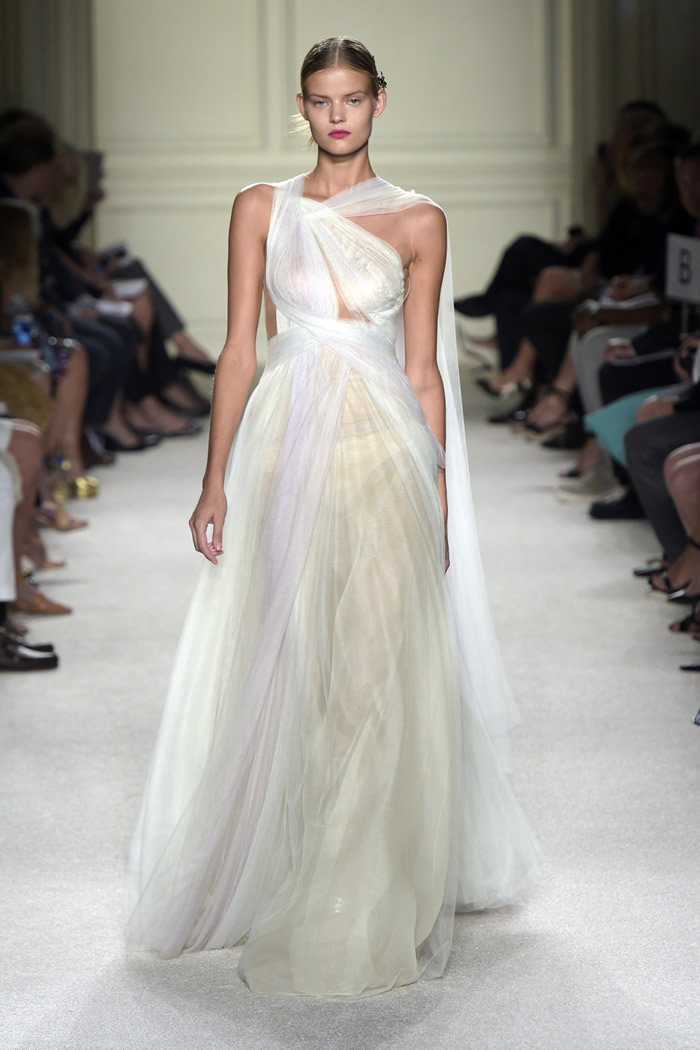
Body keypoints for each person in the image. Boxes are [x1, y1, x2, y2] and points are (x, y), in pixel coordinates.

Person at [126, 37, 539, 998]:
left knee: (370, 668)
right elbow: (239, 351)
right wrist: (214, 479)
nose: (338, 116)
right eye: (322, 100)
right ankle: (298, 861)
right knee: (298, 659)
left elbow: (424, 372)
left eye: (354, 98)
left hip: (386, 450)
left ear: (380, 102)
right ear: (303, 107)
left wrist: (440, 496)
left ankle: (350, 896)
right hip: (284, 448)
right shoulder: (259, 209)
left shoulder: (420, 219)